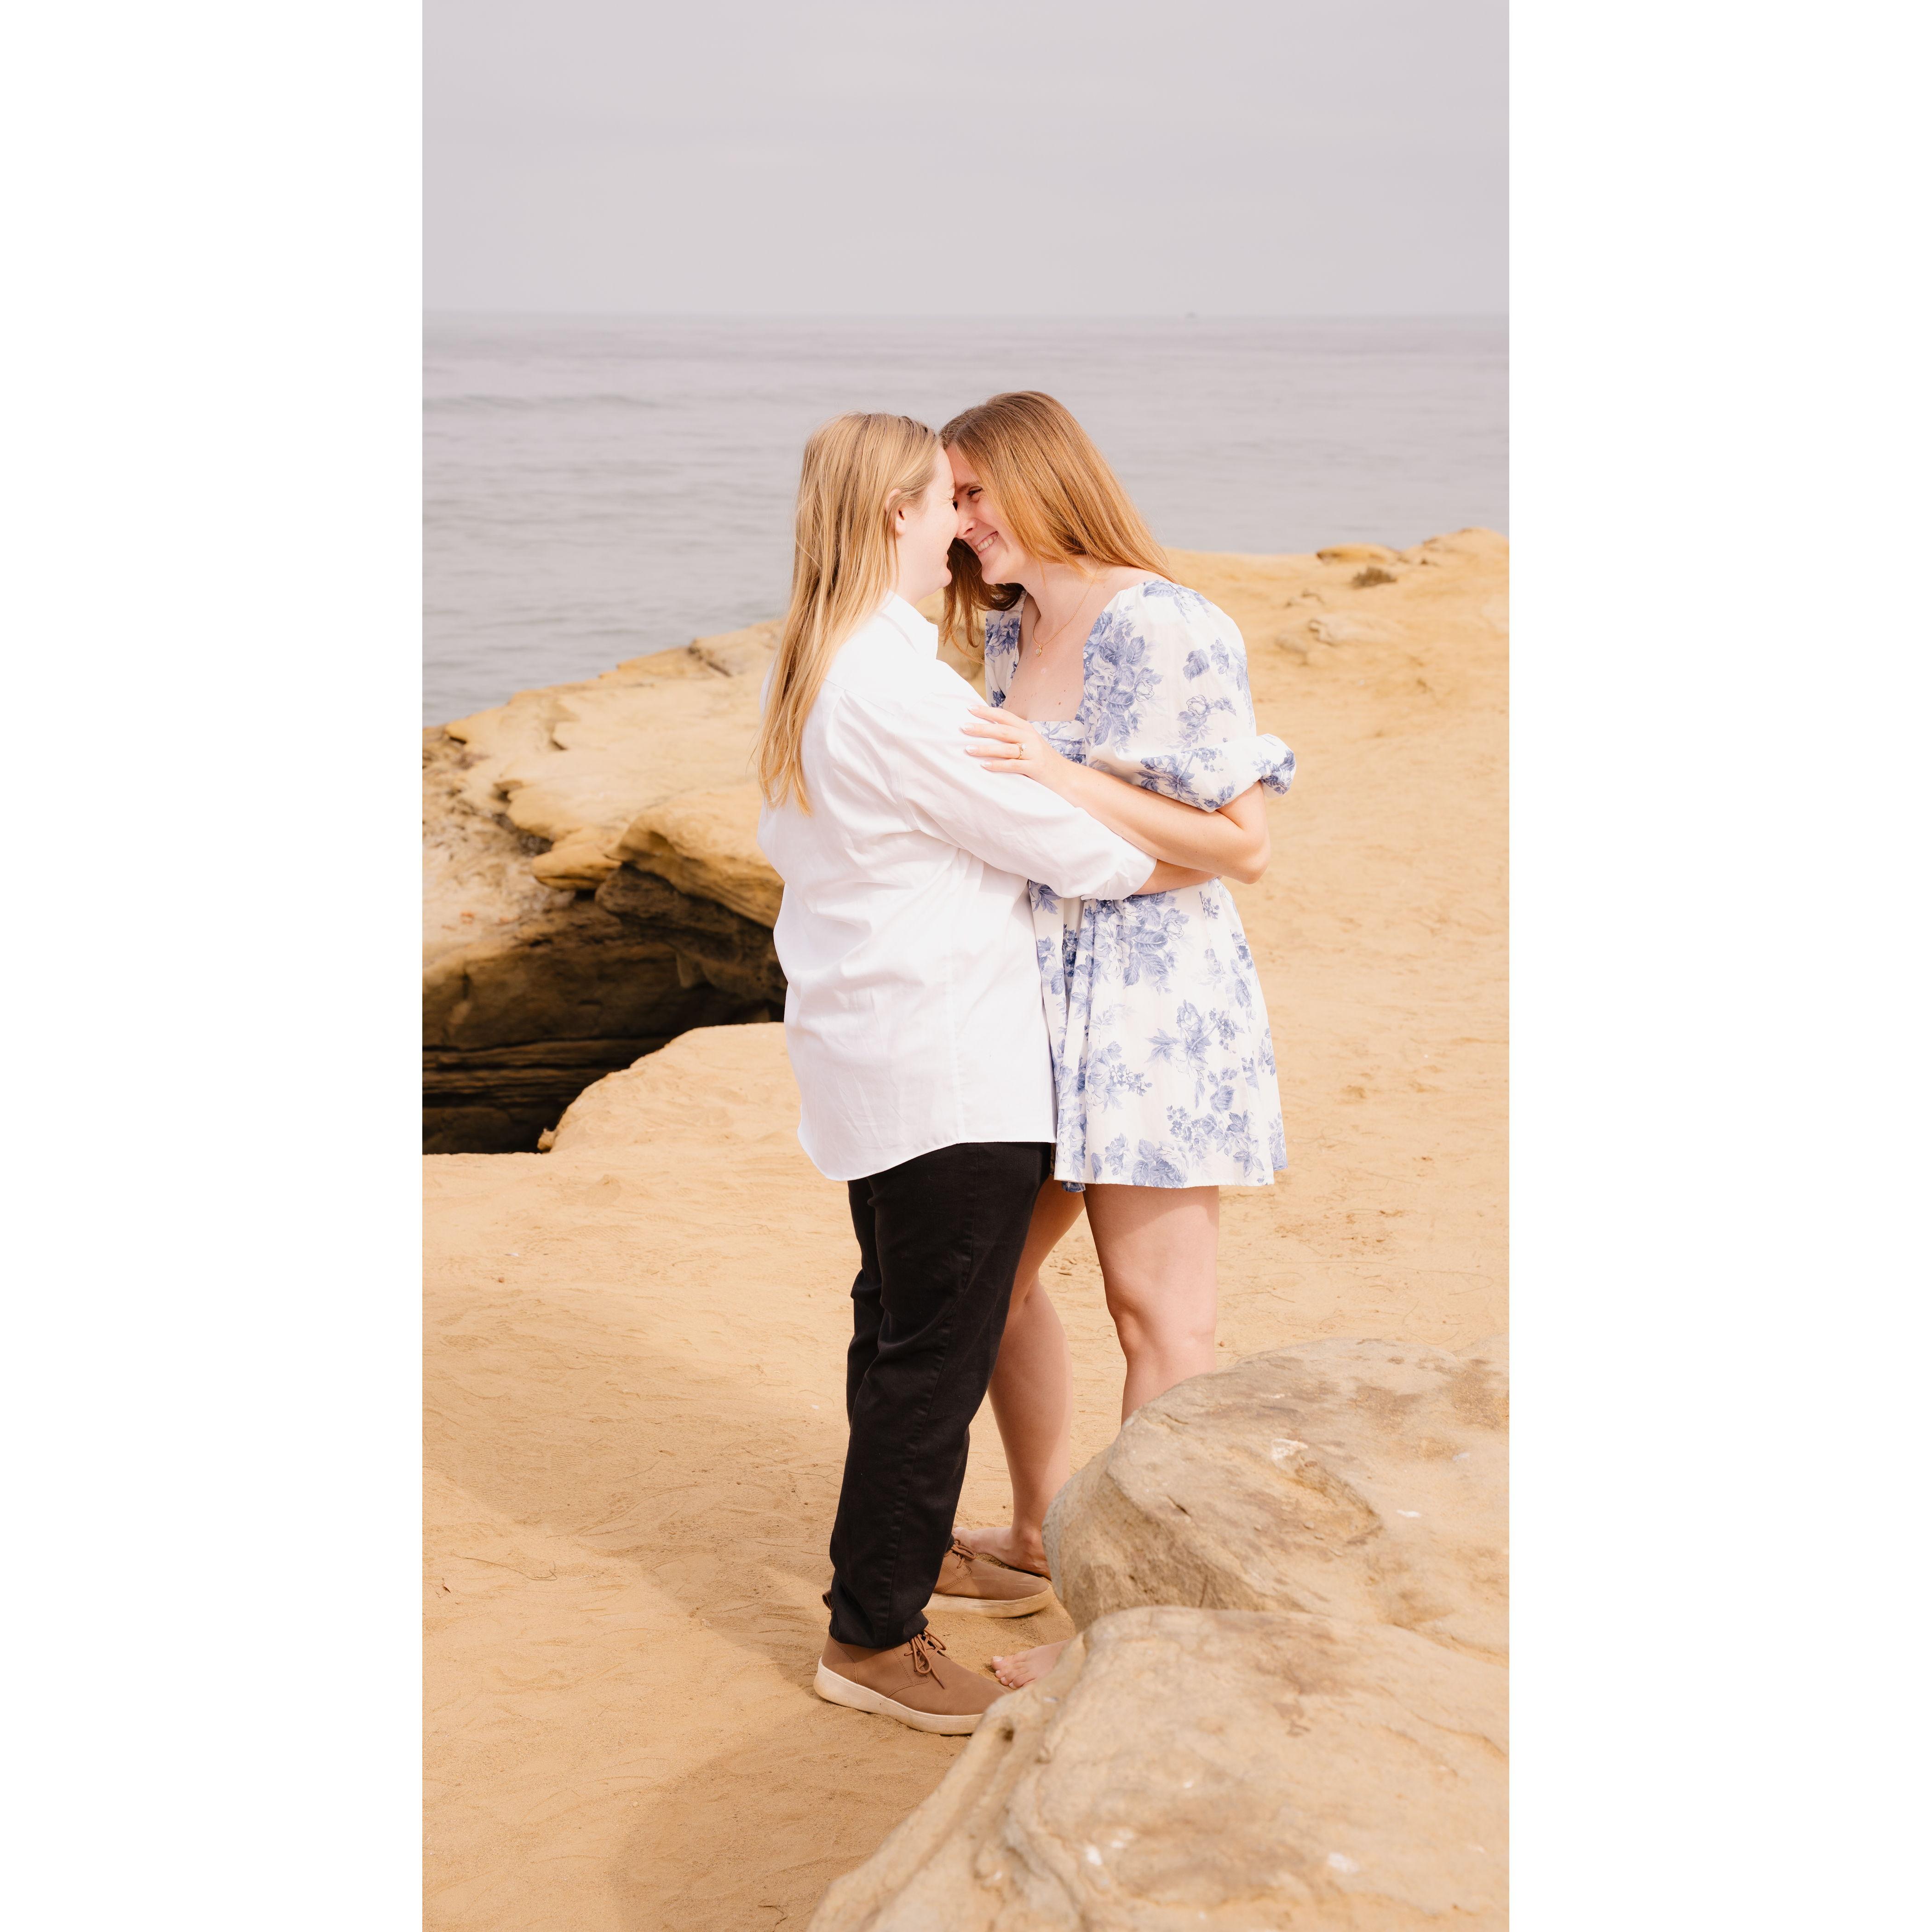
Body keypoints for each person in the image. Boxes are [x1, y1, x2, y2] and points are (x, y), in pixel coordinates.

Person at [753, 412, 1206, 1735]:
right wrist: (1210, 848)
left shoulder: (831, 659)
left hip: (879, 1054)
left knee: (898, 1333)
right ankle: (872, 1638)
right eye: (945, 500)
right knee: (931, 1361)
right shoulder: (899, 689)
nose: (965, 521)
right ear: (897, 516)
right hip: (951, 1064)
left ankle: (891, 1570)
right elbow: (1074, 851)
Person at [942, 391, 1296, 1688]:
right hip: (1034, 999)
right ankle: (1040, 1535)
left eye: (974, 494)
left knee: (1159, 1317)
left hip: (1156, 1003)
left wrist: (1056, 773)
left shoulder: (1167, 623)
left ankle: (1131, 1620)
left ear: (1040, 478)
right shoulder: (1010, 624)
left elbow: (1240, 846)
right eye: (948, 501)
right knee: (985, 1284)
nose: (959, 524)